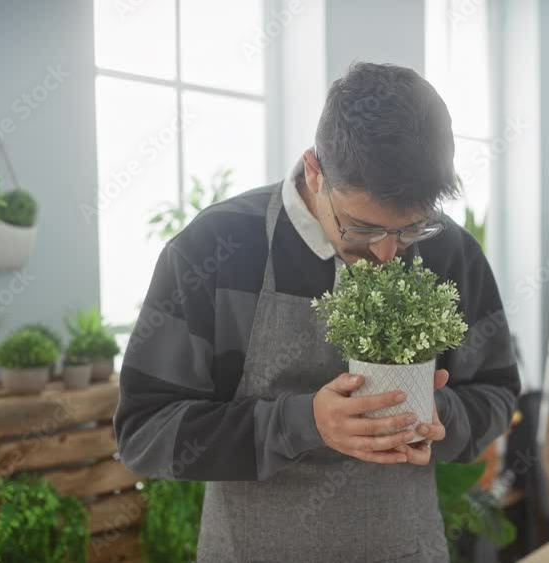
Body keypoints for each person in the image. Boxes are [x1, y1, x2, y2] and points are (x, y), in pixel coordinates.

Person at [113, 62, 521, 563]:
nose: (388, 254)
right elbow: (145, 432)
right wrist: (301, 422)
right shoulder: (215, 249)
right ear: (314, 170)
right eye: (363, 227)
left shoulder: (449, 251)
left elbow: (497, 390)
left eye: (411, 228)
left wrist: (440, 418)